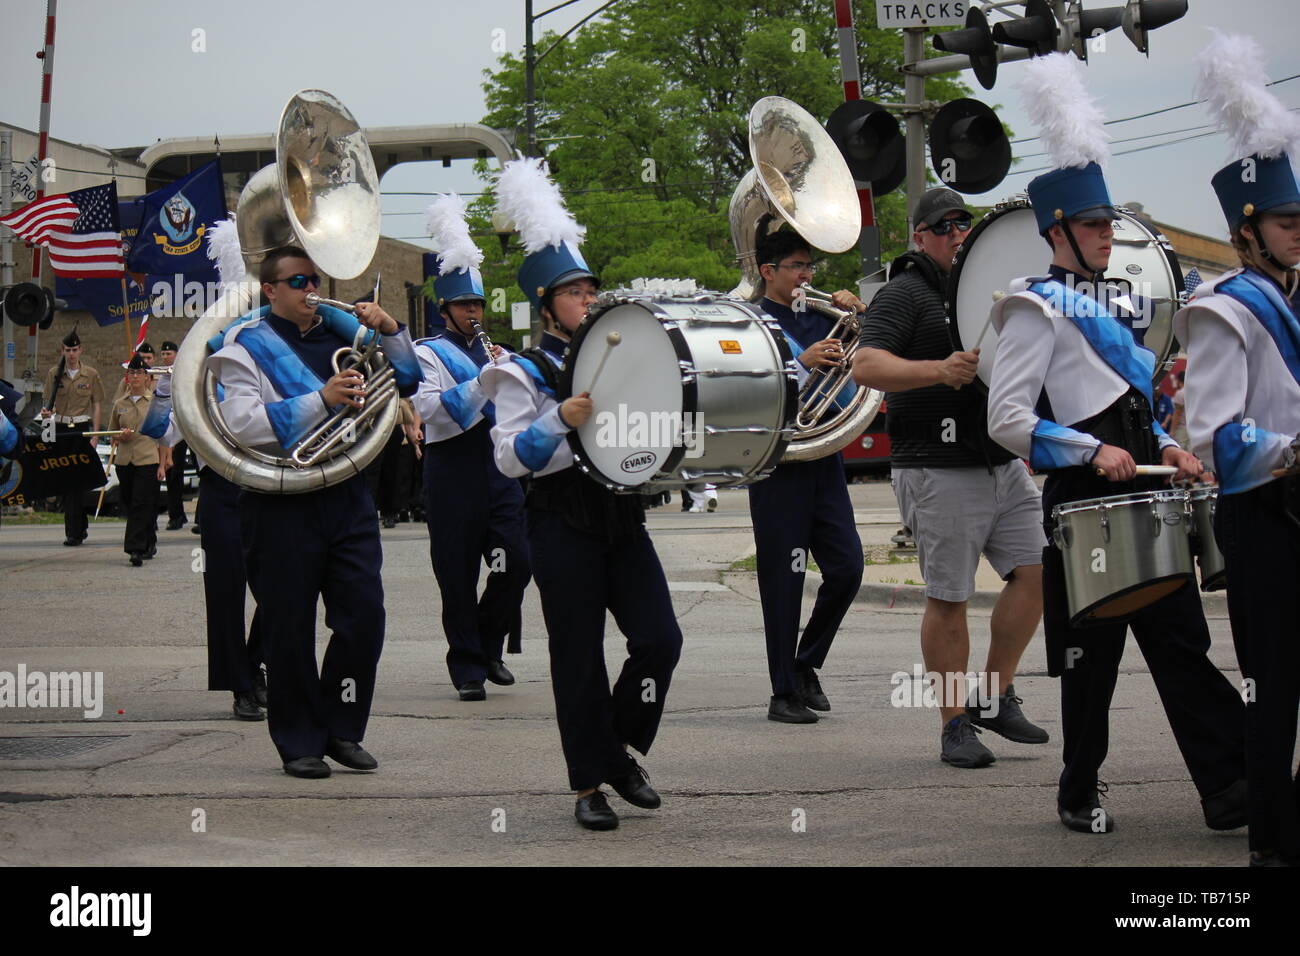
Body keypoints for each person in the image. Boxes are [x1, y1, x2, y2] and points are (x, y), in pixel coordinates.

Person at [983, 52, 1245, 835]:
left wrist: (1174, 442)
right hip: (1084, 503)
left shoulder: (1113, 306)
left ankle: (1234, 789)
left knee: (1183, 650)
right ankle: (1077, 790)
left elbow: (1130, 410)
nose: (1108, 235)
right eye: (1096, 225)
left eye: (1110, 224)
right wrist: (1086, 449)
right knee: (1087, 668)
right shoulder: (1031, 310)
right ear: (1059, 230)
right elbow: (1007, 419)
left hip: (1147, 493)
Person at [482, 158, 682, 830]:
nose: (588, 299)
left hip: (621, 515)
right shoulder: (517, 371)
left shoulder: (622, 354)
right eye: (573, 292)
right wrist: (557, 420)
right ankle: (587, 785)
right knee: (576, 654)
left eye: (591, 288)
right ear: (545, 305)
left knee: (660, 638)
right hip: (560, 520)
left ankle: (617, 753)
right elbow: (511, 459)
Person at [208, 244, 423, 778]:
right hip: (280, 500)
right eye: (298, 281)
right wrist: (322, 400)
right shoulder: (241, 348)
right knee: (289, 626)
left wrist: (391, 329)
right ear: (270, 290)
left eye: (314, 280)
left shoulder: (347, 337)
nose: (311, 290)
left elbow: (410, 381)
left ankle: (343, 727)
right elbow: (241, 424)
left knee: (364, 617)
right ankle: (299, 740)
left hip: (347, 494)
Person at [854, 187, 1049, 768]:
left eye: (964, 226)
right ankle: (953, 723)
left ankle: (993, 693)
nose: (957, 235)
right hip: (935, 467)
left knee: (1039, 573)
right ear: (921, 237)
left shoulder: (983, 292)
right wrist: (938, 370)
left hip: (1000, 461)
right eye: (945, 227)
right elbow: (866, 364)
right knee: (950, 597)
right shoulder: (905, 292)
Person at [1173, 31, 1300, 866]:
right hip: (1267, 522)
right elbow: (1212, 434)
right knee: (1277, 693)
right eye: (1289, 223)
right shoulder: (1224, 310)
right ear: (1248, 229)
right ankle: (1271, 848)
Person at [413, 194, 531, 702]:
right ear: (446, 309)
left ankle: (486, 644)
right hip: (452, 468)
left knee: (516, 561)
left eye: (479, 304)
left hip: (497, 467)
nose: (474, 312)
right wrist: (485, 380)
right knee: (457, 573)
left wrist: (511, 375)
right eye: (465, 305)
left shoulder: (494, 351)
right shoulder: (426, 352)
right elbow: (433, 412)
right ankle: (467, 665)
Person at [748, 230, 864, 724]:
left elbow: (873, 357)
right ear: (767, 272)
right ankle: (781, 693)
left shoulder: (825, 317)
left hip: (826, 458)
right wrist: (800, 362)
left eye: (809, 266)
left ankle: (805, 662)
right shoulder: (750, 321)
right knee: (784, 580)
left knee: (847, 569)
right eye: (795, 266)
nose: (806, 276)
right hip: (778, 464)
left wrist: (859, 316)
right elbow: (748, 384)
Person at [40, 327, 104, 546]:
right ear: (62, 351)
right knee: (67, 481)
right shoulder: (54, 374)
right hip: (62, 428)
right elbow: (47, 404)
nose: (72, 354)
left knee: (80, 481)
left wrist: (95, 435)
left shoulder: (91, 374)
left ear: (81, 350)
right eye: (68, 350)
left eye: (75, 349)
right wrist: (47, 421)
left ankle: (79, 526)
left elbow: (96, 404)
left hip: (82, 428)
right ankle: (73, 532)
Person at [109, 354, 160, 566]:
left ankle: (135, 549)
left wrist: (166, 460)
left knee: (141, 501)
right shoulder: (120, 403)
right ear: (127, 377)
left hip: (147, 457)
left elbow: (163, 433)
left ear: (147, 378)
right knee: (132, 502)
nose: (136, 377)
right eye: (132, 373)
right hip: (125, 460)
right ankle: (149, 540)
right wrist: (120, 436)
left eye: (140, 373)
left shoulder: (155, 402)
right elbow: (111, 430)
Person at [156, 341, 188, 530]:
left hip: (190, 423)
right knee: (173, 472)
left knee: (203, 471)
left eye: (169, 353)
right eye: (164, 354)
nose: (166, 357)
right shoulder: (162, 376)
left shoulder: (185, 371)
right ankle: (175, 515)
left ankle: (200, 518)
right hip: (174, 426)